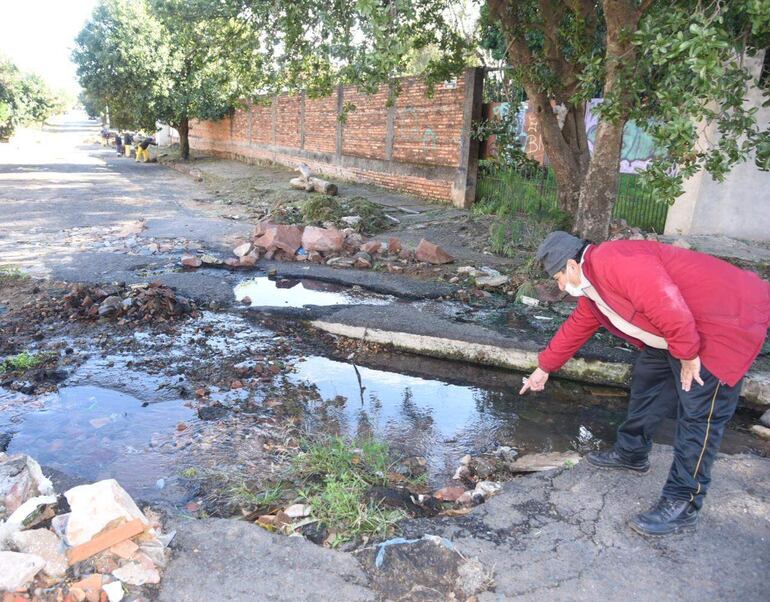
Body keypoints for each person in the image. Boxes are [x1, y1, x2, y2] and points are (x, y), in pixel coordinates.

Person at [521, 231, 770, 536]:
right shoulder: (595, 285)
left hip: (721, 323)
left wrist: (689, 355)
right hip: (677, 333)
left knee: (700, 416)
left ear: (572, 266)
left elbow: (665, 302)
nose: (560, 286)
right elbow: (577, 326)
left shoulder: (614, 261)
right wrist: (544, 368)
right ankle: (632, 452)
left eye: (558, 277)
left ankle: (682, 503)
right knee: (648, 381)